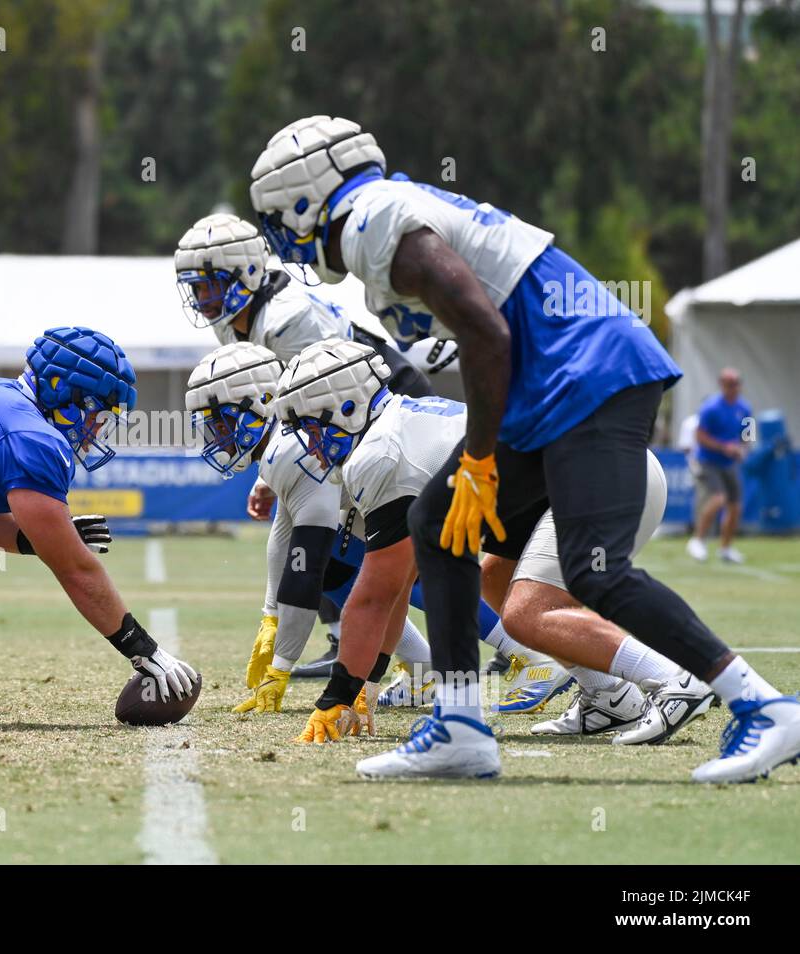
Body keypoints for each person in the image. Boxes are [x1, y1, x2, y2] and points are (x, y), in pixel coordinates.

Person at [250, 116, 798, 783]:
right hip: (550, 379)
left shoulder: (371, 221)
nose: (283, 237)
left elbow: (487, 334)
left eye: (278, 218)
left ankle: (765, 706)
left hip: (585, 369)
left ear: (303, 197)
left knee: (593, 572)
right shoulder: (392, 209)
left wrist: (480, 457)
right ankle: (459, 727)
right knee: (437, 524)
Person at [272, 340, 712, 750]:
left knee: (527, 612)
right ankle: (610, 696)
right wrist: (364, 683)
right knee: (494, 582)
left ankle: (674, 678)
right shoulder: (396, 424)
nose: (311, 446)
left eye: (311, 428)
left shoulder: (380, 453)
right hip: (586, 475)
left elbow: (374, 597)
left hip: (601, 475)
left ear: (347, 408)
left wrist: (337, 695)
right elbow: (397, 590)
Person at [176, 212, 437, 678]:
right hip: (337, 422)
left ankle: (506, 643)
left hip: (382, 407)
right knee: (336, 552)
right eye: (196, 289)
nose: (202, 299)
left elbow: (323, 396)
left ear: (246, 272)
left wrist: (274, 471)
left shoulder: (288, 319)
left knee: (380, 552)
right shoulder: (238, 318)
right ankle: (400, 656)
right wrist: (269, 475)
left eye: (210, 286)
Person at [0, 326, 200, 707]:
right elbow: (76, 570)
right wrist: (144, 650)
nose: (97, 427)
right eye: (96, 412)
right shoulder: (36, 439)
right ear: (60, 390)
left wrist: (45, 536)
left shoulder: (5, 396)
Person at [687, 368, 751, 564]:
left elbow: (748, 436)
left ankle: (725, 548)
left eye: (737, 383)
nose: (734, 387)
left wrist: (742, 450)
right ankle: (698, 540)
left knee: (736, 507)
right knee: (718, 499)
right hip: (708, 461)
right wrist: (724, 447)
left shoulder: (745, 408)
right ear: (722, 385)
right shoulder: (710, 408)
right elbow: (699, 436)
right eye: (730, 384)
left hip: (729, 464)